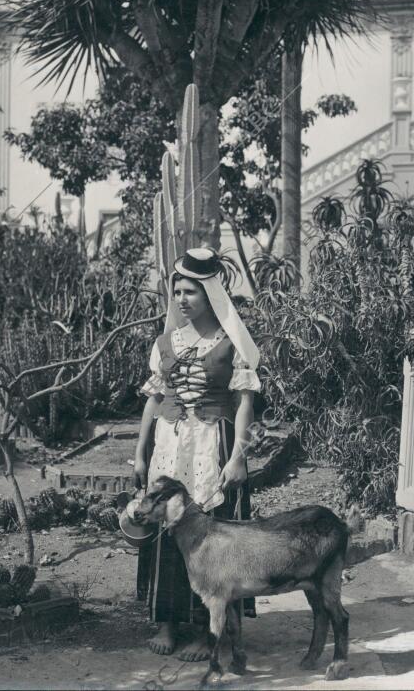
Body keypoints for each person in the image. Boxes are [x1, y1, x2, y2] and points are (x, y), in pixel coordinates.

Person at [134, 247, 261, 661]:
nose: (181, 299)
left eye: (190, 292)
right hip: (169, 445)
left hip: (213, 441)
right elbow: (153, 400)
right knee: (165, 526)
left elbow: (244, 401)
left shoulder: (231, 343)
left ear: (210, 294)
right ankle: (168, 622)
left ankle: (214, 633)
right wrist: (139, 452)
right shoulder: (166, 341)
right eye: (177, 291)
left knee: (215, 534)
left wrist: (239, 454)